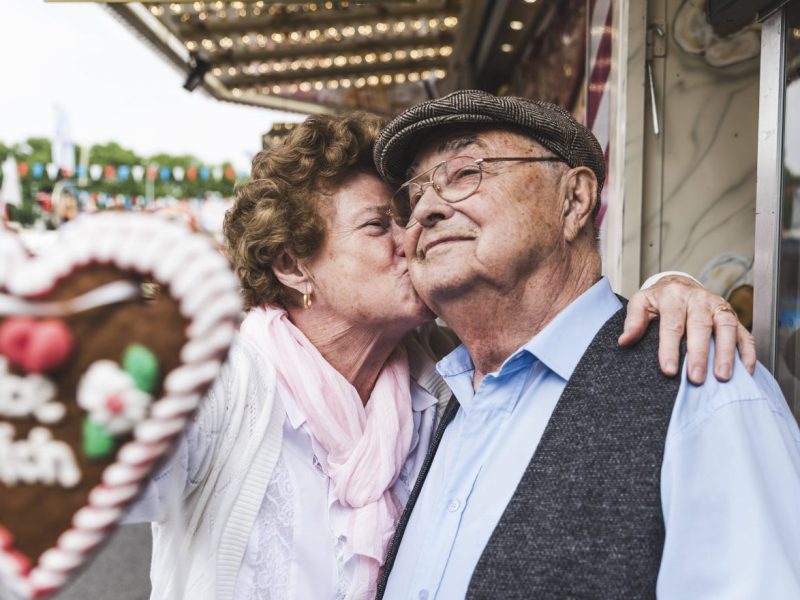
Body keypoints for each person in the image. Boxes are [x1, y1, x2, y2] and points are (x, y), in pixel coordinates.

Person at [124, 111, 752, 600]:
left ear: (575, 199)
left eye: (407, 215)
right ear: (292, 265)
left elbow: (558, 321)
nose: (415, 231)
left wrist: (671, 288)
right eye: (380, 225)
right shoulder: (224, 375)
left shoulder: (445, 378)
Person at [373, 90, 800, 599]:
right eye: (414, 195)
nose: (426, 210)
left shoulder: (703, 382)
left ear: (575, 200)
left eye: (465, 172)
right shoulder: (435, 403)